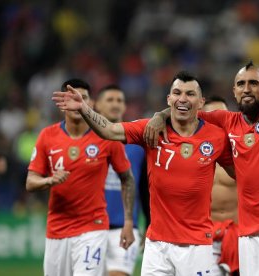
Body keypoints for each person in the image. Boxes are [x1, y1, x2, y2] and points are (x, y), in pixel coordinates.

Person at [144, 6, 259, 275]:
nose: (247, 89)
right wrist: (159, 115)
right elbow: (185, 107)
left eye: (254, 83)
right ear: (233, 91)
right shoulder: (225, 121)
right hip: (249, 235)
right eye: (241, 84)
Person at [52, 71, 234, 276]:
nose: (182, 98)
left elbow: (240, 174)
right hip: (157, 245)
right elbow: (109, 130)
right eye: (177, 93)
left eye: (190, 94)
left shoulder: (216, 137)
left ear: (200, 102)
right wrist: (84, 109)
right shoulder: (150, 130)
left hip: (198, 245)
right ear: (169, 99)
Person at [26, 79, 135, 276]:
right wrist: (48, 181)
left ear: (90, 104)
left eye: (82, 98)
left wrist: (129, 221)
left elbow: (127, 177)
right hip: (57, 229)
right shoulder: (47, 136)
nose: (77, 102)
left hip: (93, 228)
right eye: (71, 97)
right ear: (61, 105)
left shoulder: (106, 136)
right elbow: (31, 181)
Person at [95, 84, 148, 276]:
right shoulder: (87, 141)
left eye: (119, 100)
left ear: (125, 107)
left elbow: (144, 187)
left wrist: (148, 221)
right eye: (110, 100)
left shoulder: (137, 144)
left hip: (124, 227)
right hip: (90, 227)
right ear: (97, 105)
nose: (115, 104)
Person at [203, 96, 239, 276]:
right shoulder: (193, 154)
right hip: (204, 237)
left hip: (238, 235)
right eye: (212, 116)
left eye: (222, 116)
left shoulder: (241, 152)